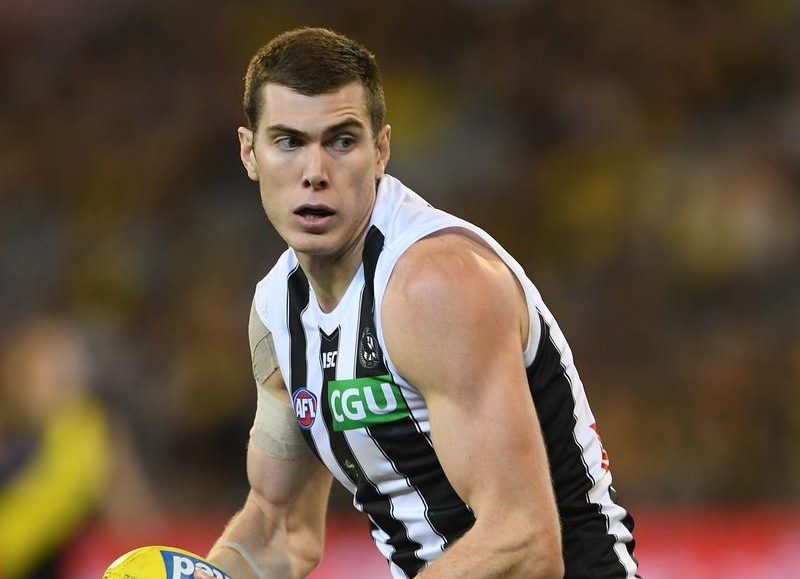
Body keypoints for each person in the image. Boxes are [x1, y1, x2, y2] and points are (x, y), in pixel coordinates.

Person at [198, 27, 639, 579]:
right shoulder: (277, 312)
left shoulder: (435, 284)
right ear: (249, 152)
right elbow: (278, 529)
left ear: (380, 151)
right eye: (289, 142)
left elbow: (524, 544)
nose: (315, 174)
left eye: (341, 142)